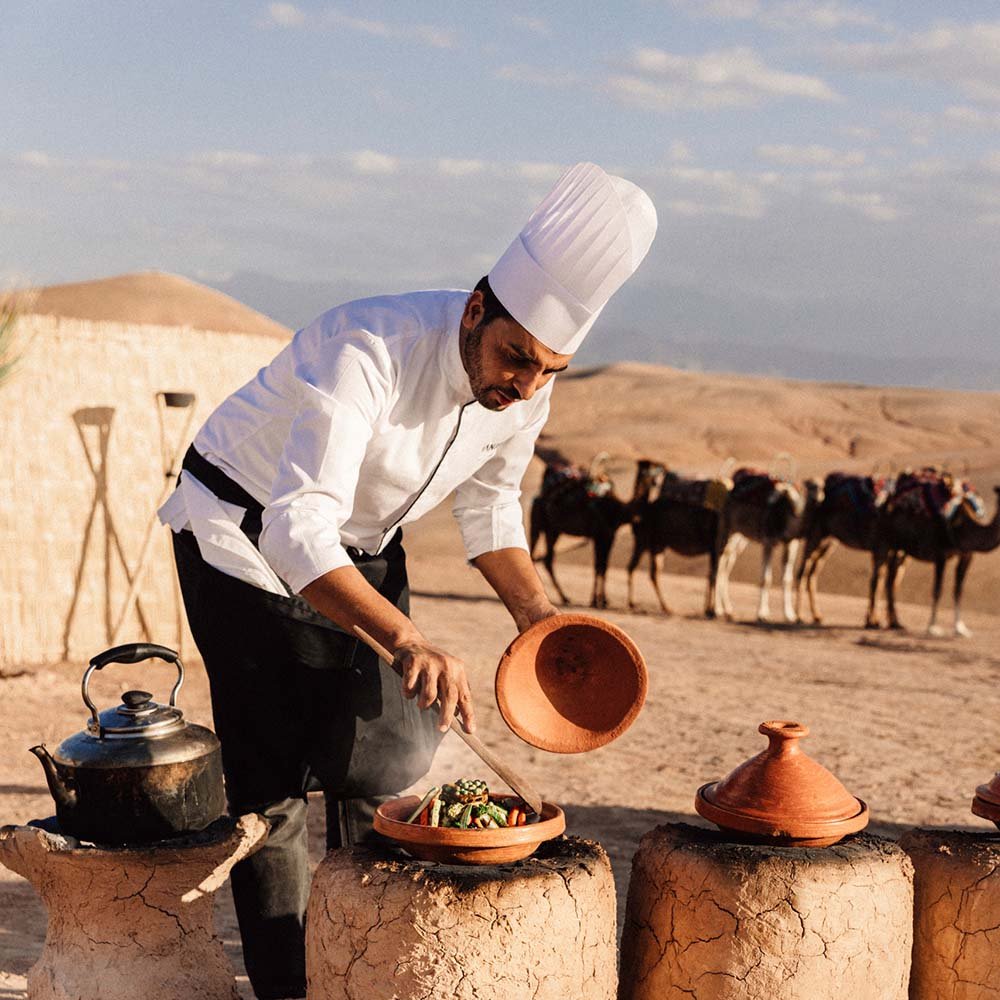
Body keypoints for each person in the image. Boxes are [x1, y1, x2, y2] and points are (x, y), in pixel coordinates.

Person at [158, 161, 657, 999]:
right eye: (516, 358)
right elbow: (296, 525)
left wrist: (537, 617)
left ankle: (367, 962)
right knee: (274, 784)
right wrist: (404, 634)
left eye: (551, 372)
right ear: (474, 311)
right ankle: (290, 984)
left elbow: (492, 509)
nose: (525, 386)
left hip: (357, 542)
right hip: (240, 532)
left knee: (383, 761)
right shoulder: (367, 348)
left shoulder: (524, 391)